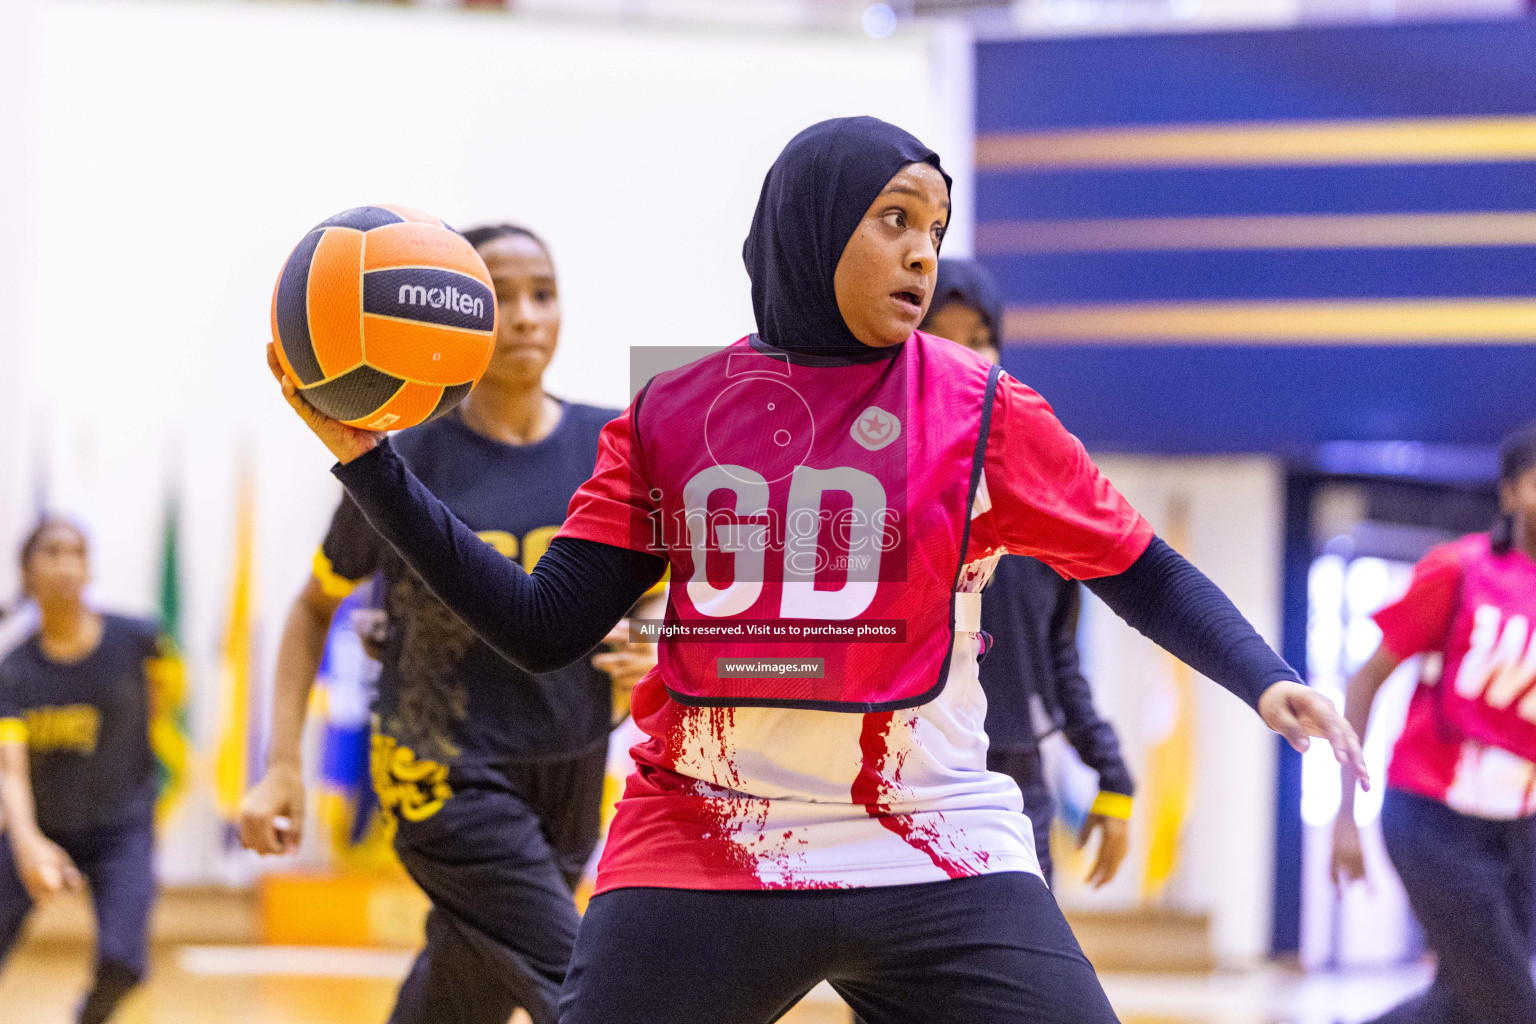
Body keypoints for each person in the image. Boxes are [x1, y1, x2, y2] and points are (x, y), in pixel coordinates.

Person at [270, 116, 1365, 1024]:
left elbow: (1143, 567)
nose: (923, 252)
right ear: (811, 227)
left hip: (931, 836)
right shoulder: (673, 413)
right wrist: (369, 464)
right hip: (707, 834)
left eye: (934, 226)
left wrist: (1265, 675)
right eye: (894, 220)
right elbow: (545, 620)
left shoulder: (986, 409)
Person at [240, 223, 660, 1024]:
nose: (528, 316)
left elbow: (664, 595)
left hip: (571, 756)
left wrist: (648, 637)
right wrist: (283, 761)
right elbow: (313, 605)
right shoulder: (406, 460)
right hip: (439, 764)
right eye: (499, 298)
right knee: (576, 980)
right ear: (456, 321)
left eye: (543, 293)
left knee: (467, 976)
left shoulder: (611, 441)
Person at [923, 258, 1133, 888]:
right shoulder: (879, 481)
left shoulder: (1036, 482)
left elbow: (1057, 657)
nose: (969, 356)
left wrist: (1113, 777)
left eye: (981, 340)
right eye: (945, 338)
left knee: (1027, 976)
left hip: (1014, 776)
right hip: (906, 771)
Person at [1331, 424, 1536, 1024]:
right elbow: (1365, 682)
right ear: (1509, 493)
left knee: (1466, 1003)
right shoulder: (1460, 569)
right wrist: (1346, 816)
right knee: (1510, 1007)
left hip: (1522, 829)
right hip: (1431, 818)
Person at [0, 519, 169, 1024]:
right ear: (27, 575)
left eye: (77, 552)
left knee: (124, 962)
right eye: (51, 553)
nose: (67, 564)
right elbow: (10, 768)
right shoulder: (14, 672)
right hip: (42, 826)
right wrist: (27, 842)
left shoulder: (136, 639)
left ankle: (87, 1016)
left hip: (121, 829)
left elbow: (164, 706)